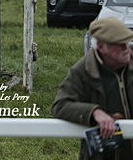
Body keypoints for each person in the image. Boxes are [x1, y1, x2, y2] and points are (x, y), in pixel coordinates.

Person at [52, 17, 133, 159]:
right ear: (101, 46)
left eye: (126, 42)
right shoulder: (82, 71)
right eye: (119, 44)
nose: (126, 48)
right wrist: (94, 112)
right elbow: (60, 105)